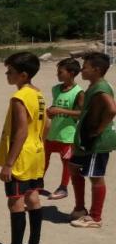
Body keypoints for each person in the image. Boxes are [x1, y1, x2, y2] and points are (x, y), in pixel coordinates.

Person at [0, 52, 46, 244]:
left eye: (10, 72)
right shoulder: (38, 94)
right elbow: (46, 125)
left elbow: (21, 131)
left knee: (15, 201)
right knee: (33, 197)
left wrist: (9, 163)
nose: (7, 74)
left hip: (21, 157)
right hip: (36, 153)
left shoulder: (20, 97)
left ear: (23, 75)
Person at [68, 52, 116, 228]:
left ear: (96, 70)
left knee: (95, 176)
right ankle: (80, 208)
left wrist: (100, 129)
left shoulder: (101, 87)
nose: (82, 69)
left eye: (85, 67)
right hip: (85, 139)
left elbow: (112, 109)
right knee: (73, 167)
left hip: (97, 142)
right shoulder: (93, 85)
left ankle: (95, 217)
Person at [43, 58, 84, 200]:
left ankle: (63, 188)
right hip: (52, 132)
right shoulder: (56, 89)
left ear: (71, 73)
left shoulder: (79, 92)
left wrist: (61, 110)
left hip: (67, 135)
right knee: (43, 158)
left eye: (60, 72)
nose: (57, 75)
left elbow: (82, 114)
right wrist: (50, 111)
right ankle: (37, 183)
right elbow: (55, 108)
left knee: (66, 163)